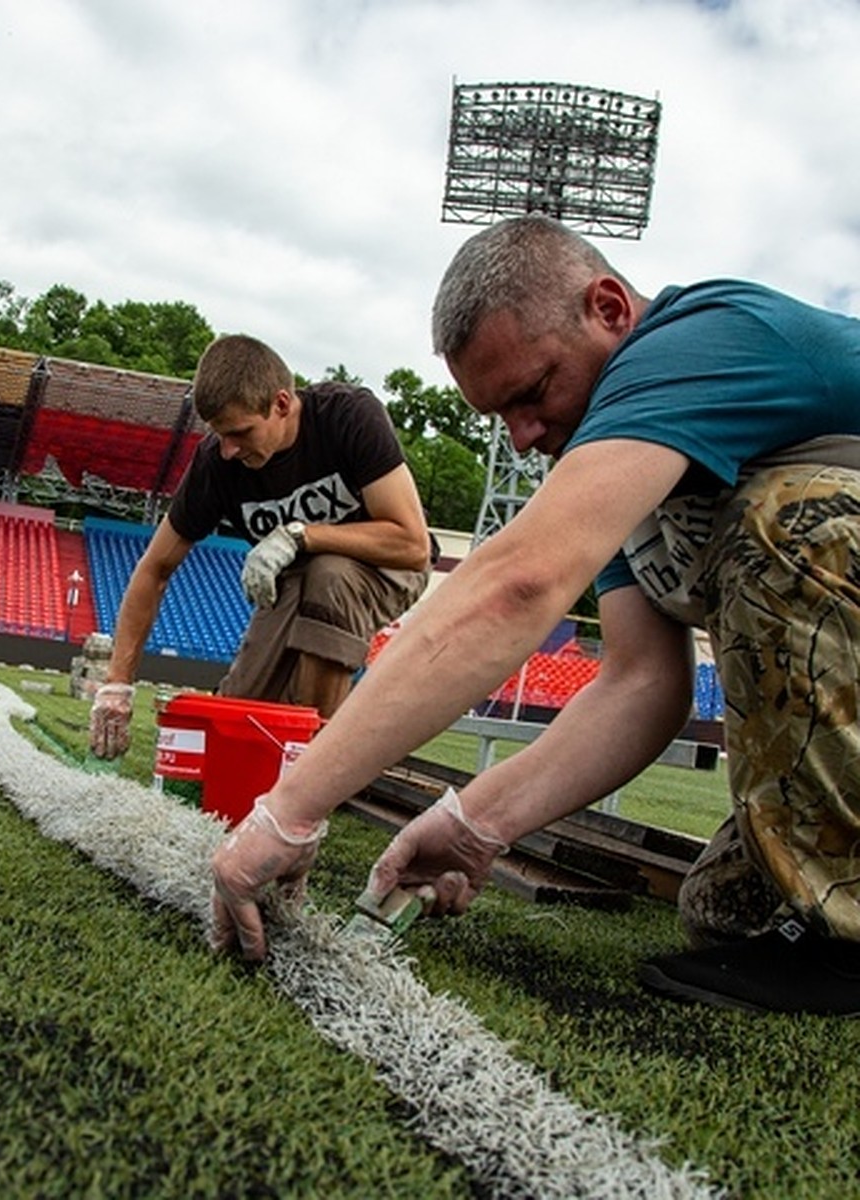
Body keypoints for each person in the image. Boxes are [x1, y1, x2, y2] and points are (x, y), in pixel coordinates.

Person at [210, 213, 860, 1016]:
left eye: (533, 392)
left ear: (611, 311)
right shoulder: (633, 463)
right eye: (500, 416)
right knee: (727, 910)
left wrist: (292, 808)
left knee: (791, 521)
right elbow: (641, 685)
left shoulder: (698, 342)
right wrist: (477, 821)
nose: (521, 440)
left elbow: (522, 582)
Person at [88, 333, 434, 759]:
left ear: (282, 404)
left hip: (383, 566)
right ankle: (289, 740)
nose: (229, 450)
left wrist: (299, 533)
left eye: (241, 432)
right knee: (234, 724)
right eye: (220, 435)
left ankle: (312, 766)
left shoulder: (347, 416)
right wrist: (117, 683)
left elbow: (412, 543)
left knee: (331, 575)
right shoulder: (218, 463)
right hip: (295, 578)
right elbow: (154, 568)